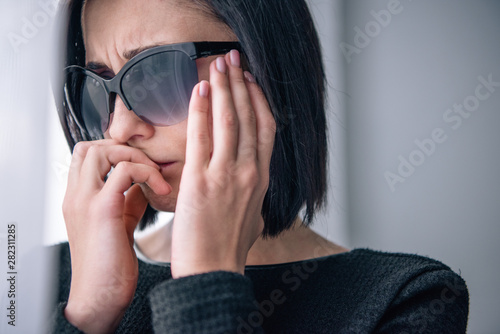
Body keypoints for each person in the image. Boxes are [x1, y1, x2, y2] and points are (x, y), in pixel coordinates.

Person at [50, 0, 469, 333]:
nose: (119, 127)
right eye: (98, 83)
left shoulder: (406, 299)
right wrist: (87, 315)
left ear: (267, 69)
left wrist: (207, 284)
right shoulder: (46, 281)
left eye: (157, 74)